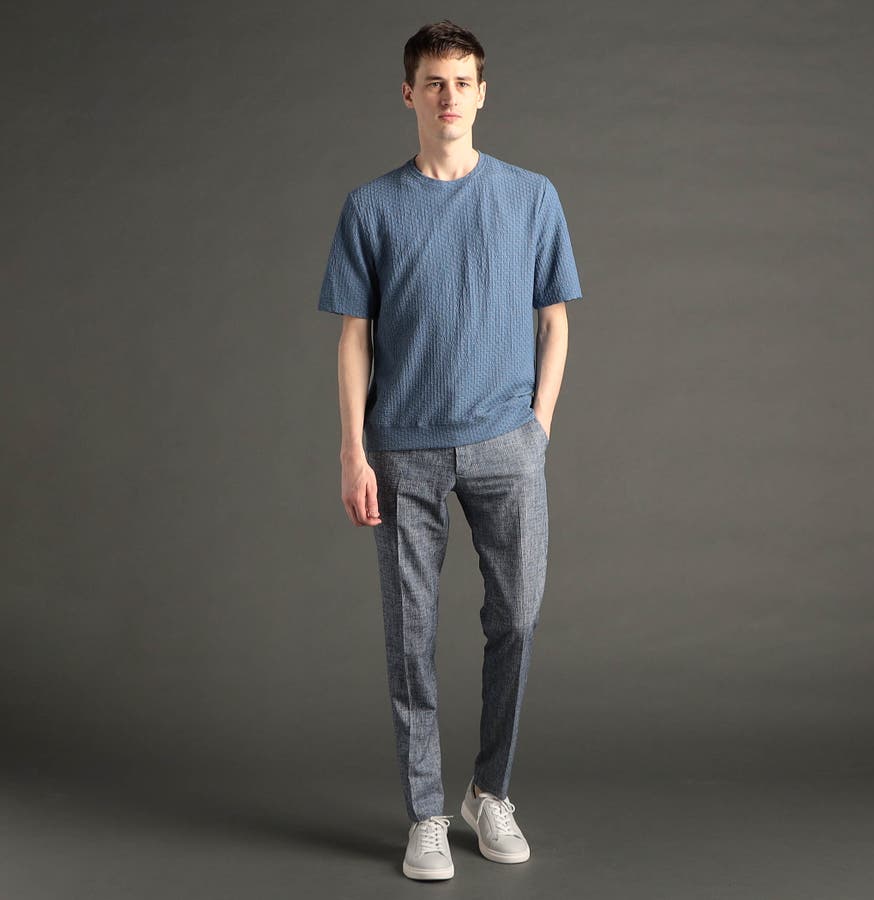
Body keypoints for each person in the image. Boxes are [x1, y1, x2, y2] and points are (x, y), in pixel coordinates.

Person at [317, 19, 582, 882]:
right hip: (404, 451)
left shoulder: (531, 196)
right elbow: (353, 338)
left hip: (508, 445)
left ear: (482, 93)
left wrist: (538, 426)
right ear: (409, 93)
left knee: (517, 618)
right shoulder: (371, 207)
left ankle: (489, 791)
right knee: (411, 637)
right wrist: (353, 452)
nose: (449, 97)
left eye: (463, 81)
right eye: (434, 82)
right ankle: (426, 813)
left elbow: (555, 320)